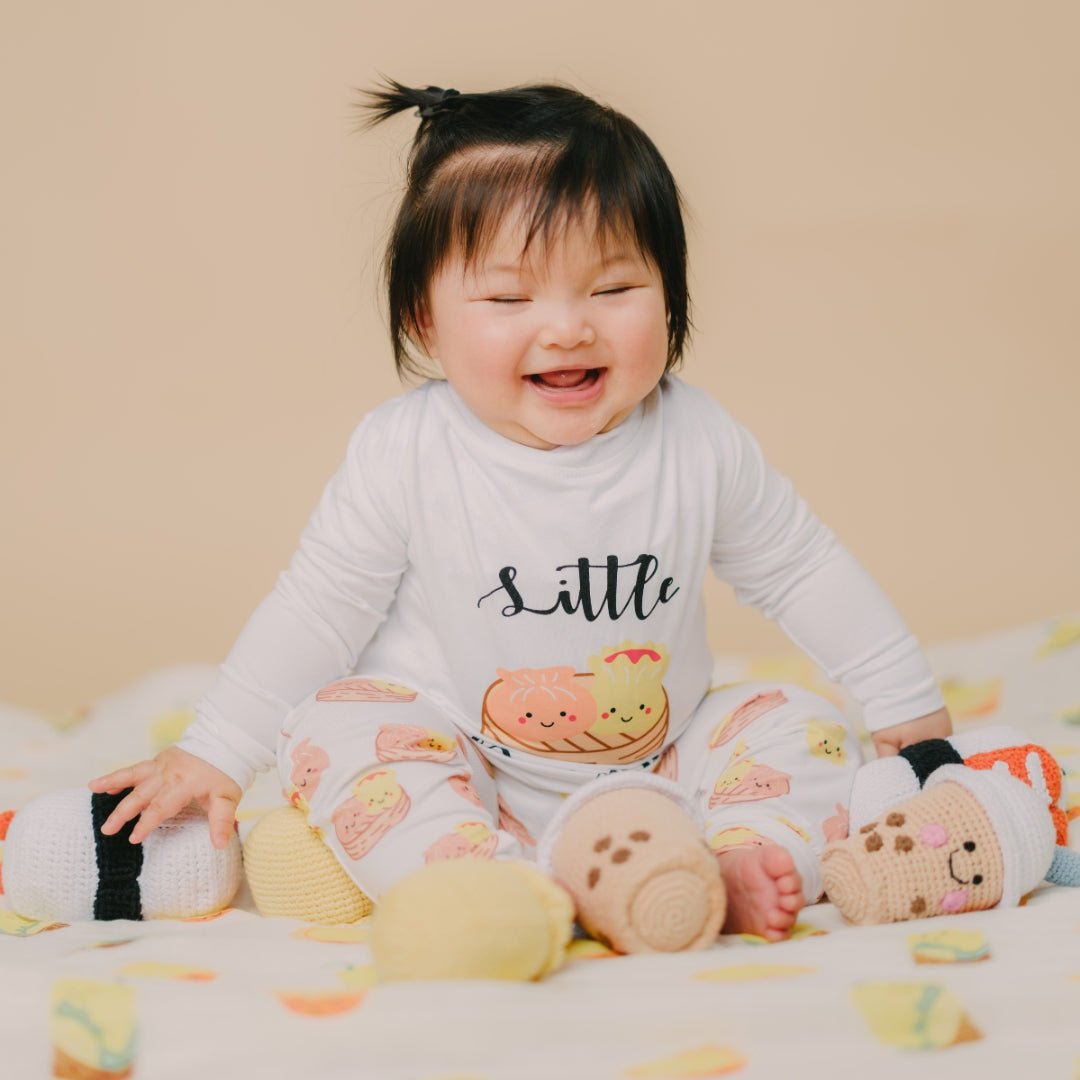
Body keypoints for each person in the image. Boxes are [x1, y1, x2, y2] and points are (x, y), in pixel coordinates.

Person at [89, 79, 951, 944]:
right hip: (463, 764)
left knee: (802, 727)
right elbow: (319, 605)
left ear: (671, 293)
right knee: (335, 726)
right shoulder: (407, 451)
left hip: (661, 761)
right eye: (509, 300)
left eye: (614, 289)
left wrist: (907, 710)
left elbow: (801, 569)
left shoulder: (697, 439)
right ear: (426, 318)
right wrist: (215, 750)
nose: (568, 328)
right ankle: (499, 890)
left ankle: (730, 859)